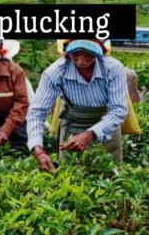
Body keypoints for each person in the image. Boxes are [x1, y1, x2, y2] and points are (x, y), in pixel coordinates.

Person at [27, 39, 128, 172]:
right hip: (73, 128)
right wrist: (38, 150)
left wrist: (89, 134)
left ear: (98, 54)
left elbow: (118, 110)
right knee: (72, 176)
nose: (80, 61)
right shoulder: (55, 72)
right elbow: (36, 113)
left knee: (109, 177)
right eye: (75, 55)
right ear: (68, 54)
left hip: (106, 129)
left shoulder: (112, 68)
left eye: (87, 55)